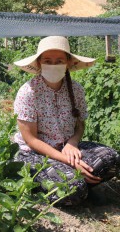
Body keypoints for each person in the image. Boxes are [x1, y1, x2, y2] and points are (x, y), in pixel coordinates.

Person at [12, 36, 120, 206]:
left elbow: (80, 124)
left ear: (68, 63)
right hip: (33, 153)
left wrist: (72, 143)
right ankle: (55, 186)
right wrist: (67, 161)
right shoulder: (28, 92)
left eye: (59, 60)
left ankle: (76, 183)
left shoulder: (76, 90)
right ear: (39, 63)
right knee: (73, 189)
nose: (53, 65)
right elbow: (30, 139)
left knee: (112, 158)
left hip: (66, 147)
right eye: (48, 60)